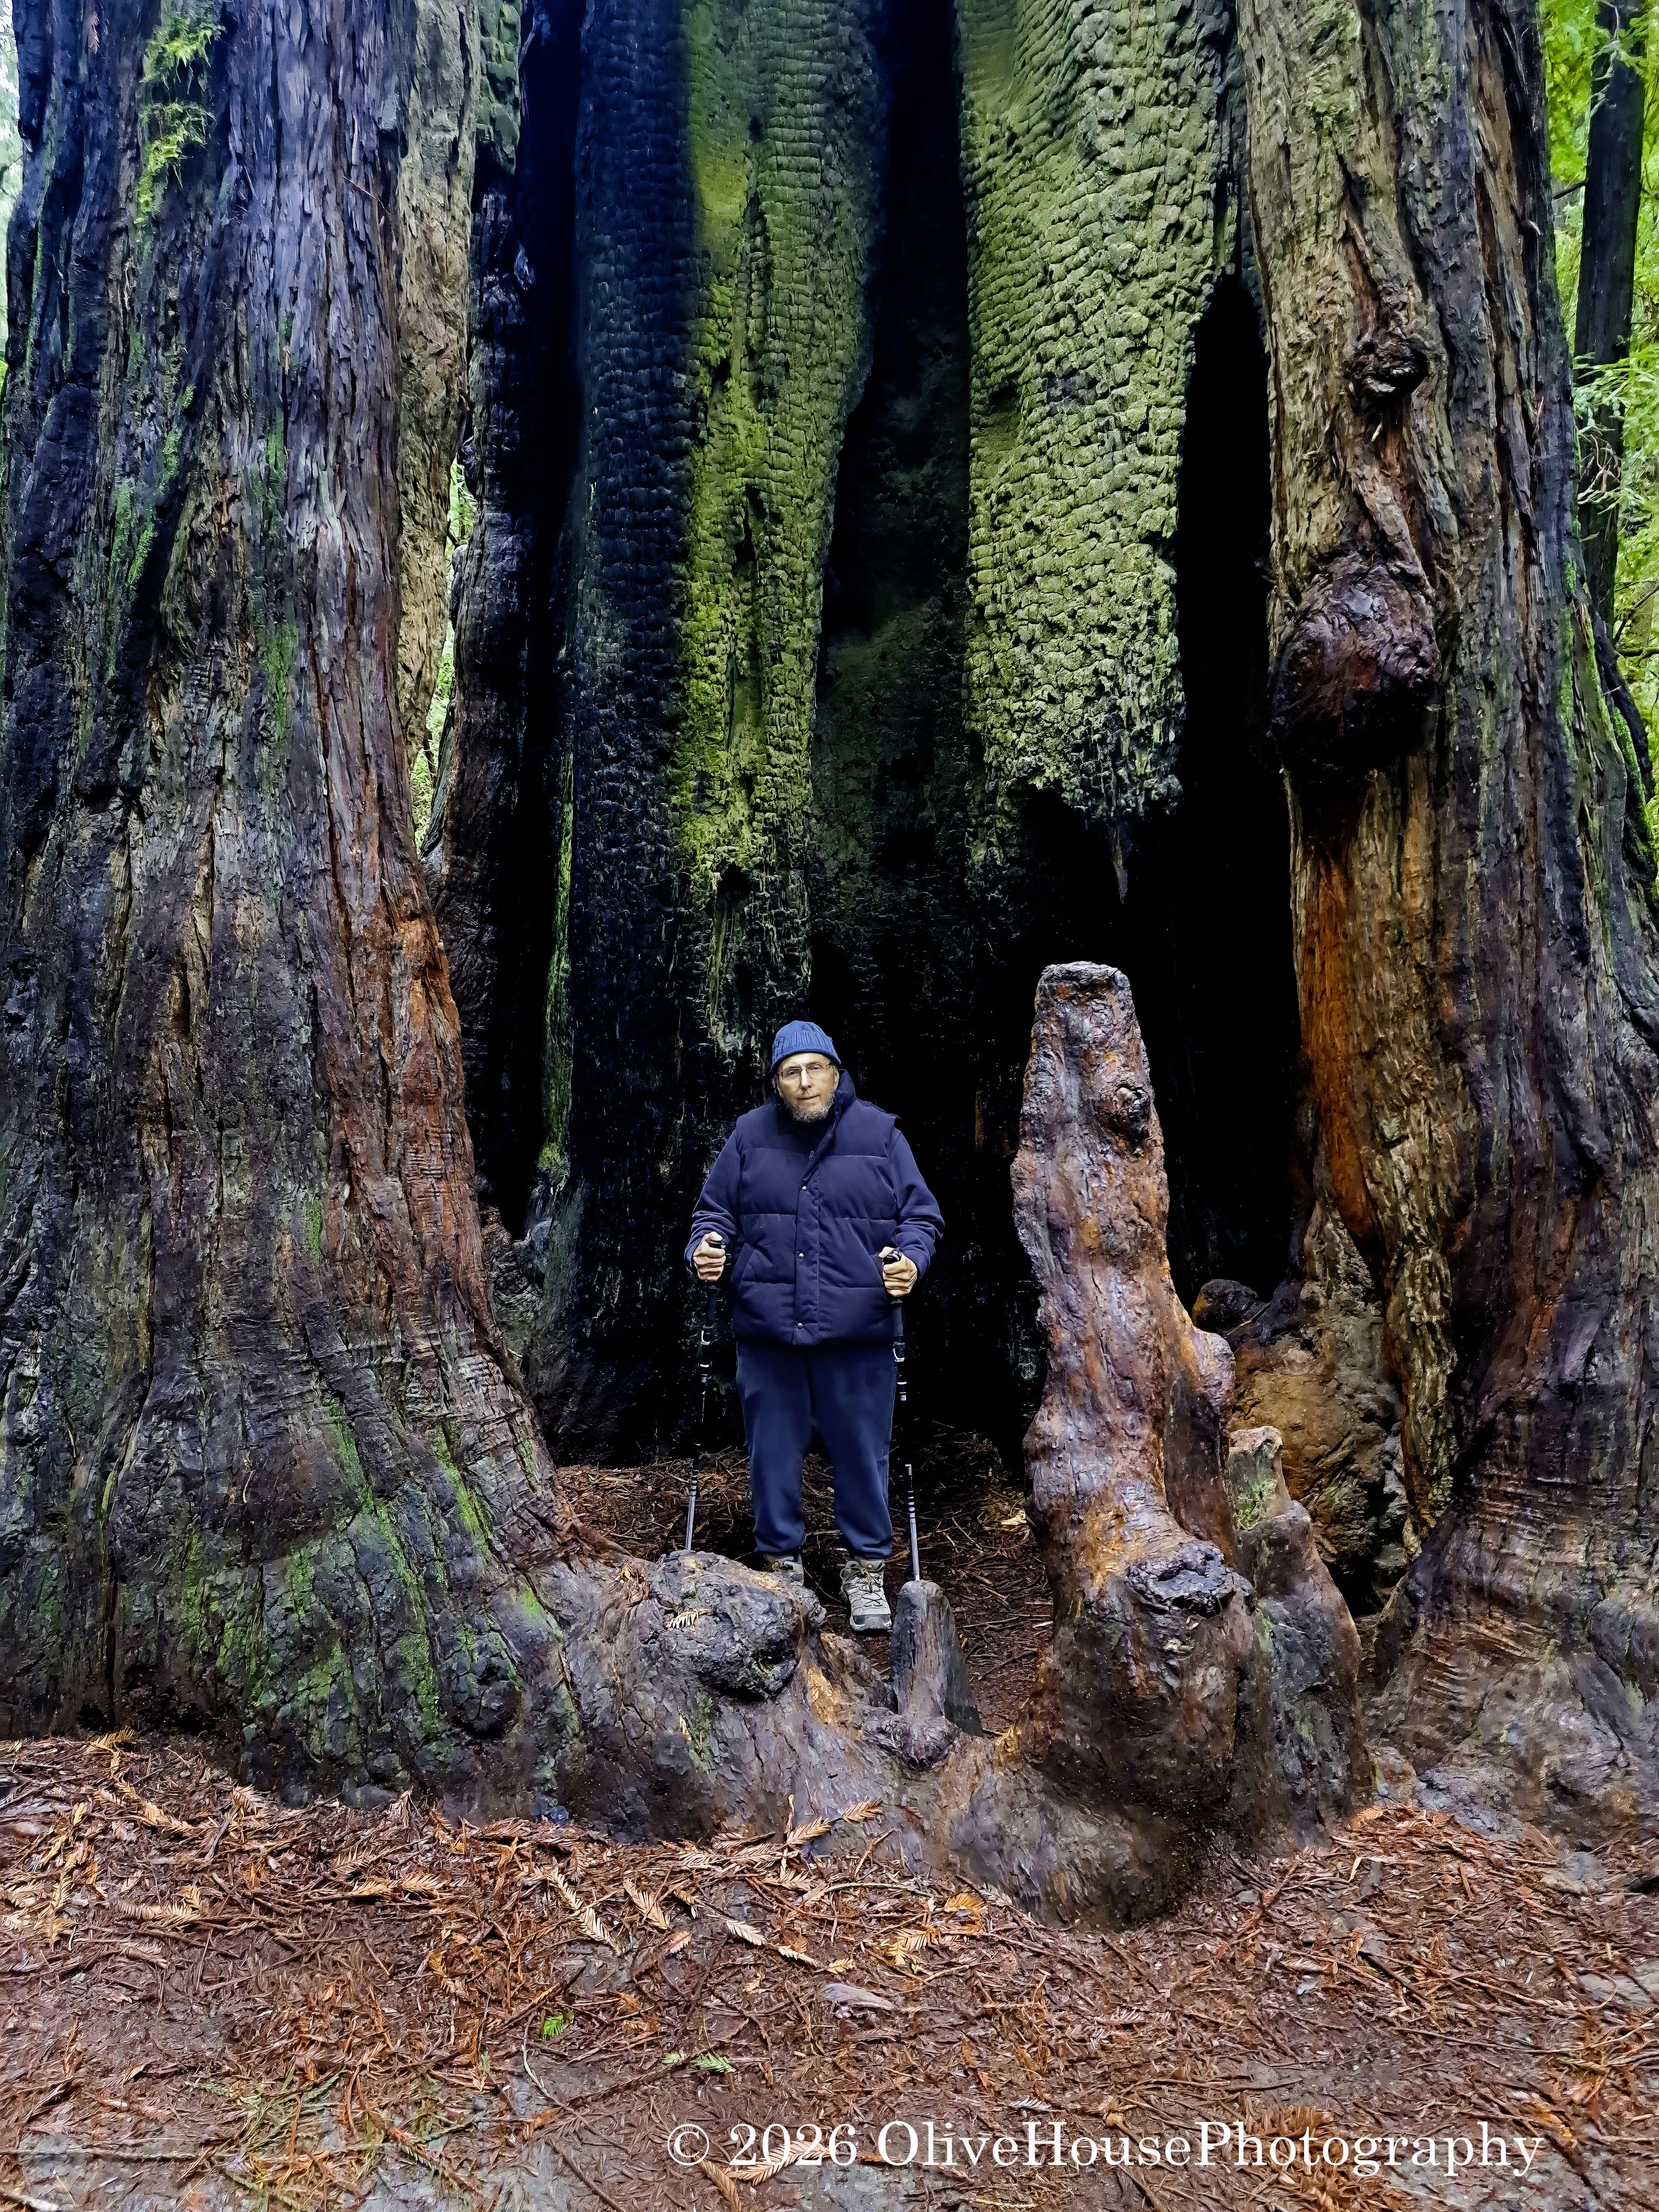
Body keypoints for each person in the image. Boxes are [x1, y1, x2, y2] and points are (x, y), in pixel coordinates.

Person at [685, 1021, 943, 1632]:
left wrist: (909, 1261)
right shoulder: (749, 1135)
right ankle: (781, 1569)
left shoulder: (880, 1134)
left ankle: (865, 1573)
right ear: (778, 1082)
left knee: (862, 1455)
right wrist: (707, 1247)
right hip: (768, 1331)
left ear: (836, 1070)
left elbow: (922, 1218)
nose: (804, 1082)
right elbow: (711, 1212)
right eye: (790, 1072)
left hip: (860, 1332)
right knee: (770, 1455)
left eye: (814, 1068)